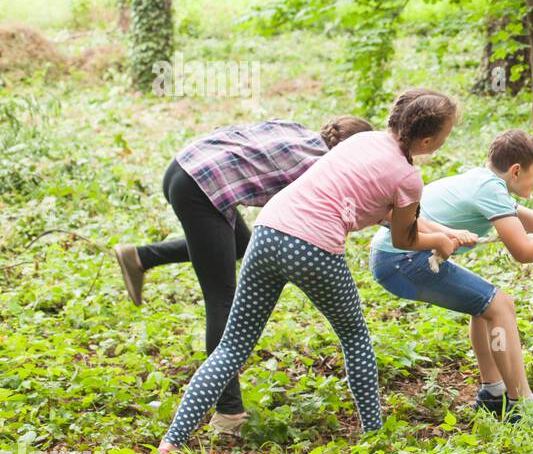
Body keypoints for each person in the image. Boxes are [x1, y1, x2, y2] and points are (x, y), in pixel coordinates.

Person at [155, 89, 461, 454]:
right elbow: (403, 236)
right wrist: (437, 244)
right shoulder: (408, 178)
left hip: (268, 232)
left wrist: (445, 234)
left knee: (233, 347)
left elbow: (386, 213)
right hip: (313, 248)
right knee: (355, 338)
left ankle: (171, 442)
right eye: (446, 134)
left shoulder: (363, 140)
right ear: (428, 140)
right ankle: (375, 437)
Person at [113, 115, 372, 436]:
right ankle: (228, 413)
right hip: (202, 190)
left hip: (182, 167)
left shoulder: (297, 132)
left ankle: (141, 257)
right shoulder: (321, 167)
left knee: (243, 247)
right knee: (222, 300)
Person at [371, 129, 533, 427]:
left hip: (394, 258)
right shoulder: (491, 190)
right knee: (500, 305)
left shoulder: (485, 182)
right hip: (404, 260)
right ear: (515, 171)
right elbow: (523, 251)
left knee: (485, 306)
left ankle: (493, 394)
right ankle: (522, 405)